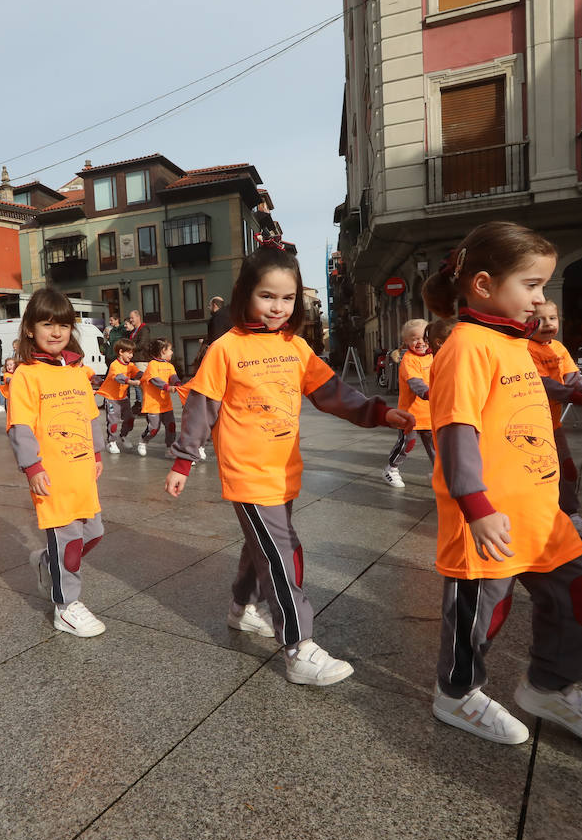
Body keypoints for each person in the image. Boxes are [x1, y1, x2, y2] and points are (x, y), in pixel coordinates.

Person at [165, 241, 411, 685]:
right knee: (282, 554)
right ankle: (299, 646)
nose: (278, 307)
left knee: (258, 549)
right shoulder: (225, 348)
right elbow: (201, 407)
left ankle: (241, 608)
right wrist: (183, 462)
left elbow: (333, 392)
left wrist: (379, 411)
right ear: (245, 294)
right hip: (248, 473)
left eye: (288, 297)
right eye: (267, 296)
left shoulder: (294, 347)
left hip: (285, 470)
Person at [420, 221, 582, 746]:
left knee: (581, 592)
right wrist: (477, 507)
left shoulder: (514, 344)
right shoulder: (466, 345)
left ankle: (549, 687)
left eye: (543, 286)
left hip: (541, 513)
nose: (540, 298)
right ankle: (456, 695)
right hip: (488, 515)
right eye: (531, 285)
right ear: (483, 284)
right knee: (482, 616)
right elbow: (456, 432)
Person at [7, 290, 109, 637]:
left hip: (82, 472)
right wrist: (32, 467)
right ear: (30, 329)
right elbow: (19, 425)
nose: (55, 332)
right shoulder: (26, 374)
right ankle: (65, 607)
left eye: (63, 325)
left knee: (93, 533)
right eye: (47, 324)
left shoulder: (77, 371)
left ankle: (47, 561)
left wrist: (96, 453)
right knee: (68, 543)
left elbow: (90, 415)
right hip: (51, 475)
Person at [528, 301, 582, 540]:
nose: (547, 324)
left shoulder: (559, 348)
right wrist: (578, 397)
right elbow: (544, 384)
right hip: (530, 424)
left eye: (552, 318)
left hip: (552, 424)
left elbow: (572, 377)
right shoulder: (525, 349)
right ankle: (538, 519)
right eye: (539, 319)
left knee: (567, 469)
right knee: (537, 475)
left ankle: (569, 515)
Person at [384, 319, 434, 487]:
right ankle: (391, 469)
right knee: (407, 444)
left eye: (423, 337)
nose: (419, 342)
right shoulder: (409, 360)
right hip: (410, 414)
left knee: (436, 447)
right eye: (414, 338)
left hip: (430, 413)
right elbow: (415, 382)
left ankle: (439, 473)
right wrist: (428, 393)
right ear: (406, 342)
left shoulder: (433, 356)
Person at [137, 338, 179, 457]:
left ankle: (170, 448)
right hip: (153, 404)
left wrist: (178, 384)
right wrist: (167, 387)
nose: (171, 352)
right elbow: (155, 380)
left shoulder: (170, 366)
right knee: (154, 428)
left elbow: (174, 377)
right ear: (162, 351)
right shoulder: (152, 365)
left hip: (166, 404)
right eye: (170, 350)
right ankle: (143, 440)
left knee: (171, 426)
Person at [98, 338, 141, 453]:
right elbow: (119, 378)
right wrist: (131, 382)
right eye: (129, 352)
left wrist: (148, 375)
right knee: (113, 421)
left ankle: (124, 435)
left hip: (123, 398)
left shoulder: (130, 365)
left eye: (132, 352)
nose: (131, 355)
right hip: (111, 398)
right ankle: (111, 442)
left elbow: (138, 374)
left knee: (130, 418)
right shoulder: (114, 365)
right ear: (121, 352)